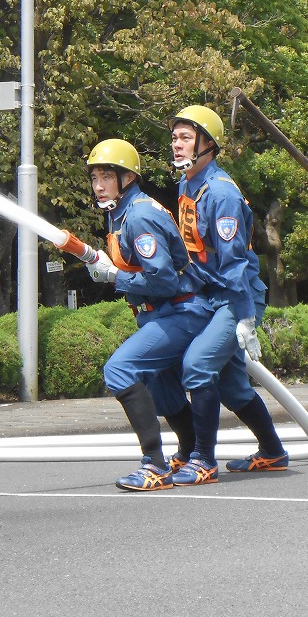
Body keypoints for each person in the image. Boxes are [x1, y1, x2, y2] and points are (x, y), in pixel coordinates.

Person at [83, 138, 213, 491]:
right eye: (94, 177)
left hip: (181, 311)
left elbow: (164, 279)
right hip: (160, 313)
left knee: (120, 369)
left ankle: (154, 464)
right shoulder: (121, 212)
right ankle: (186, 454)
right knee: (163, 388)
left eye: (107, 176)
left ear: (127, 178)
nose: (98, 185)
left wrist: (114, 275)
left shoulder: (138, 215)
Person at [167, 105, 288, 486]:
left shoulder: (221, 194)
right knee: (234, 387)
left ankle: (203, 459)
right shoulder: (188, 184)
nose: (177, 144)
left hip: (236, 296)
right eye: (175, 137)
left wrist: (246, 317)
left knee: (197, 366)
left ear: (208, 145)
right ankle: (273, 452)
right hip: (212, 293)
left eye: (186, 137)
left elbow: (234, 263)